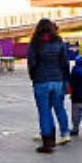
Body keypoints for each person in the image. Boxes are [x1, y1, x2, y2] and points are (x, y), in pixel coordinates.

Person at [27, 17, 71, 153]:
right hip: (57, 81)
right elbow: (65, 63)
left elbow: (32, 63)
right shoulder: (59, 42)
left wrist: (34, 77)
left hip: (41, 81)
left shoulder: (35, 43)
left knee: (44, 111)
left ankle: (48, 140)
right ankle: (64, 132)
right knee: (58, 107)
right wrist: (65, 80)